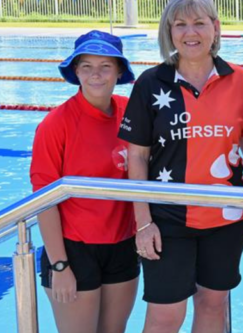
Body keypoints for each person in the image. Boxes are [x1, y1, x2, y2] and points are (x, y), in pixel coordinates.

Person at [118, 0, 243, 333]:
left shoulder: (238, 80)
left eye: (199, 22)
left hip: (226, 215)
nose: (190, 32)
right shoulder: (151, 83)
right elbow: (136, 157)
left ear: (215, 27)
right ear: (169, 32)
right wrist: (143, 223)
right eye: (179, 24)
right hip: (166, 217)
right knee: (166, 314)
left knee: (213, 306)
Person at [31, 30, 139, 333]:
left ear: (119, 71)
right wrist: (60, 265)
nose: (96, 75)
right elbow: (45, 201)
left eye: (105, 66)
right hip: (73, 250)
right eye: (86, 66)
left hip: (123, 246)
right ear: (75, 71)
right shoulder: (55, 125)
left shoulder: (131, 114)